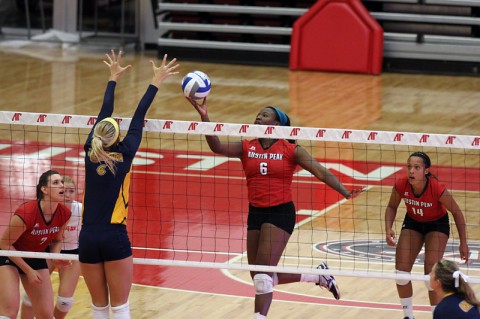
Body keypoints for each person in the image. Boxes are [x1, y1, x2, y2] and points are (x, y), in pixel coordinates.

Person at [187, 99, 364, 319]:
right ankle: (317, 276)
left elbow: (320, 171)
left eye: (265, 114)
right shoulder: (247, 146)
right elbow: (217, 147)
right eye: (258, 114)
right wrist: (204, 115)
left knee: (262, 278)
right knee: (260, 275)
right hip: (256, 213)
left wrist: (345, 192)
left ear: (278, 123)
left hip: (280, 213)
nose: (258, 117)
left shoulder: (291, 149)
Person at [79, 49, 179, 319]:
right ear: (119, 136)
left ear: (97, 134)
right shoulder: (125, 154)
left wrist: (112, 78)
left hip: (87, 237)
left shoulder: (90, 151)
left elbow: (105, 111)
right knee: (120, 307)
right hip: (114, 236)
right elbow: (139, 115)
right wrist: (156, 80)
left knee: (98, 307)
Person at [384, 151, 470, 319]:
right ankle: (408, 316)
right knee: (401, 275)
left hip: (437, 224)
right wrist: (388, 228)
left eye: (417, 167)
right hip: (413, 222)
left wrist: (463, 243)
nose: (411, 171)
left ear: (426, 171)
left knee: (430, 277)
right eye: (409, 167)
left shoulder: (437, 188)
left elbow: (457, 213)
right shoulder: (401, 185)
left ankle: (436, 315)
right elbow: (391, 206)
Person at [0, 170, 71, 319]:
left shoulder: (65, 213)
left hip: (35, 256)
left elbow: (57, 240)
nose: (62, 186)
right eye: (56, 183)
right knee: (9, 312)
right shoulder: (26, 213)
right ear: (44, 189)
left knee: (46, 314)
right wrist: (28, 271)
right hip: (10, 256)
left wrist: (55, 257)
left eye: (62, 182)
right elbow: (4, 244)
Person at [20, 176, 82, 319]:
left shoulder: (81, 210)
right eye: (63, 191)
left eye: (71, 191)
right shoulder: (48, 208)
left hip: (72, 253)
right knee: (31, 297)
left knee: (65, 302)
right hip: (47, 251)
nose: (67, 195)